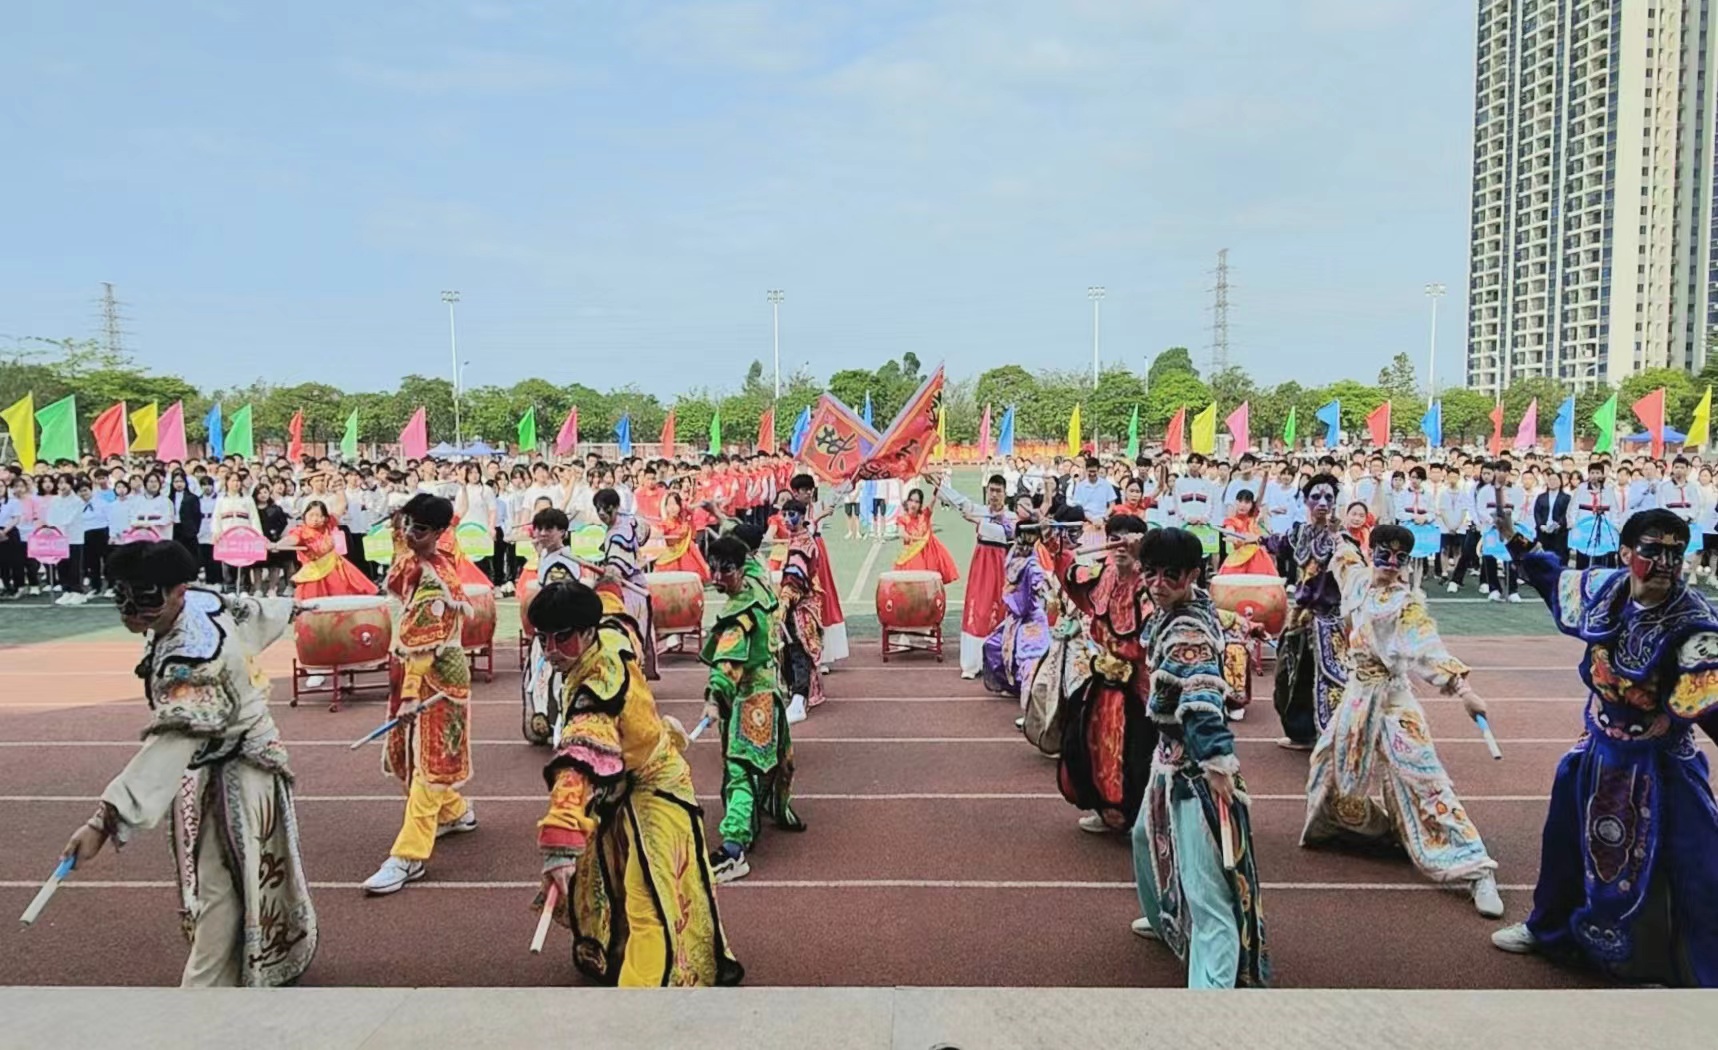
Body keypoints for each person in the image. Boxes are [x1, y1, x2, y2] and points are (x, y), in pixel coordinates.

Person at [57, 540, 316, 985]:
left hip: (237, 768)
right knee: (242, 869)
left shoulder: (192, 659)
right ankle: (263, 957)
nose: (130, 608)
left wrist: (103, 822)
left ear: (178, 590)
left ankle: (203, 991)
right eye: (121, 593)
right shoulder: (203, 601)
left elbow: (172, 741)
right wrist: (295, 609)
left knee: (220, 880)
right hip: (226, 758)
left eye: (145, 596)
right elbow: (253, 612)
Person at [1492, 509, 1718, 985]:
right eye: (1652, 551)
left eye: (1675, 553)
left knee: (1695, 859)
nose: (1664, 563)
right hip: (1597, 747)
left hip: (1661, 758)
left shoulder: (1694, 624)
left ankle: (1684, 966)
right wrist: (1513, 536)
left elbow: (1711, 700)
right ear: (1626, 553)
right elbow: (1552, 577)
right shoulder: (1605, 589)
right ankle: (1548, 929)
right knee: (1563, 841)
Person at [529, 580, 744, 986]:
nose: (552, 650)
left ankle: (640, 1001)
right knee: (611, 885)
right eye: (543, 639)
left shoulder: (599, 683)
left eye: (563, 638)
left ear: (588, 632)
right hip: (620, 784)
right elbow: (616, 605)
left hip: (656, 782)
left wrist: (560, 842)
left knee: (652, 897)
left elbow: (579, 756)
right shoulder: (612, 629)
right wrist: (608, 578)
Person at [1300, 523, 1504, 917]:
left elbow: (1427, 648)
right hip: (1356, 699)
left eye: (1400, 559)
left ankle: (1476, 868)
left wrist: (1463, 690)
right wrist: (1333, 522)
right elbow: (1341, 551)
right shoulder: (1355, 578)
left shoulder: (1404, 603)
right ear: (1370, 552)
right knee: (1329, 765)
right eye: (1383, 555)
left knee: (1424, 780)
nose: (1391, 564)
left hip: (1393, 701)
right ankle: (1368, 829)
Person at [1127, 527, 1268, 988]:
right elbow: (1200, 600)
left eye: (1171, 575)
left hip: (1194, 768)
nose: (1157, 583)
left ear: (1192, 575)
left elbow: (1203, 693)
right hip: (1167, 761)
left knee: (1207, 892)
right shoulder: (1190, 601)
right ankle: (1167, 915)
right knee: (1144, 836)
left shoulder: (1186, 629)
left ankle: (1211, 1001)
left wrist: (1217, 764)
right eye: (1151, 573)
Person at [363, 494, 478, 895]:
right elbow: (398, 574)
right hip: (419, 678)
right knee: (414, 760)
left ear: (440, 533)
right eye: (408, 524)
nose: (410, 533)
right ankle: (456, 812)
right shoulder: (423, 559)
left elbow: (423, 648)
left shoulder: (436, 584)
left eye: (420, 528)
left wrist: (410, 696)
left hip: (435, 686)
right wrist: (400, 525)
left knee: (428, 766)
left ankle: (408, 856)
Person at [700, 535, 805, 883]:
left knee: (740, 773)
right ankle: (767, 810)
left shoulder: (738, 617)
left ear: (740, 568)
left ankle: (733, 848)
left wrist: (714, 699)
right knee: (772, 764)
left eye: (725, 570)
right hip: (771, 695)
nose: (717, 577)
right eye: (713, 569)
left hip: (749, 701)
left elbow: (728, 663)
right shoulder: (760, 582)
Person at [1046, 513, 1158, 834]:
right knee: (1085, 744)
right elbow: (1070, 574)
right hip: (1105, 680)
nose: (1121, 542)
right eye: (1115, 535)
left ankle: (1142, 815)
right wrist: (1054, 544)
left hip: (1142, 684)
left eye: (1130, 535)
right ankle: (1105, 809)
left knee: (1137, 753)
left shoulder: (1151, 581)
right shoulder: (1103, 574)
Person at [1271, 474, 1364, 751]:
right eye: (1316, 497)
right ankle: (1301, 734)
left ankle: (1335, 735)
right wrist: (1256, 539)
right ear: (1305, 501)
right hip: (1300, 617)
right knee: (1290, 677)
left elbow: (1355, 567)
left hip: (1328, 620)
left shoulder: (1342, 539)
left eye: (1328, 498)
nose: (1322, 503)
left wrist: (1337, 539)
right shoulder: (1298, 533)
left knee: (1332, 678)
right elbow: (1278, 545)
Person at [931, 470, 1017, 679]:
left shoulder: (1012, 518)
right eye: (991, 490)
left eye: (998, 491)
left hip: (1003, 570)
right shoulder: (980, 511)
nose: (994, 495)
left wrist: (981, 522)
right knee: (977, 610)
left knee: (1002, 612)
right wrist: (937, 484)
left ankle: (999, 663)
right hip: (982, 570)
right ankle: (972, 663)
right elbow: (960, 502)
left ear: (1005, 493)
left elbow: (1012, 532)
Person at [521, 507, 587, 745]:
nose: (542, 533)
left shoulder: (563, 562)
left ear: (563, 532)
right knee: (541, 681)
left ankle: (561, 726)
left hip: (557, 634)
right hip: (547, 631)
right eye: (539, 528)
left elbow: (558, 601)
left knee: (558, 681)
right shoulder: (548, 556)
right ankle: (548, 725)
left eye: (549, 529)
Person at [983, 510, 1052, 701]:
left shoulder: (1032, 565)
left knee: (1029, 659)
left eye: (1031, 535)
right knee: (993, 645)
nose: (1025, 539)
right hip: (1015, 617)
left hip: (1031, 619)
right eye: (1023, 534)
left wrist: (1043, 588)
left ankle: (1030, 701)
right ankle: (1013, 687)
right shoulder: (1014, 553)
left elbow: (1041, 582)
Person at [594, 487, 658, 680]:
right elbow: (644, 531)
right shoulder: (629, 520)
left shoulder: (618, 536)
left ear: (616, 507)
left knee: (628, 636)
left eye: (607, 510)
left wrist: (599, 582)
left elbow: (615, 571)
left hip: (628, 592)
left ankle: (631, 679)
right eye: (599, 510)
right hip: (637, 587)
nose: (602, 515)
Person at [775, 500, 825, 722]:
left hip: (800, 606)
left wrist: (784, 603)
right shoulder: (799, 538)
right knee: (791, 650)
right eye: (784, 514)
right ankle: (800, 693)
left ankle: (799, 698)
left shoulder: (801, 545)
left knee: (798, 650)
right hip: (800, 603)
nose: (787, 519)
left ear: (801, 515)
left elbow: (796, 578)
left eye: (791, 514)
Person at [281, 499, 377, 600]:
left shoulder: (328, 526)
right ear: (304, 516)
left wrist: (339, 489)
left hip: (335, 569)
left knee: (340, 598)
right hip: (313, 572)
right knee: (311, 602)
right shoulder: (301, 531)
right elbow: (292, 539)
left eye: (319, 516)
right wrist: (276, 545)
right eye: (311, 515)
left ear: (325, 518)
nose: (315, 519)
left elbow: (341, 504)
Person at [892, 487, 961, 583]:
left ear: (920, 505)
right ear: (907, 502)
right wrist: (906, 535)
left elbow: (933, 500)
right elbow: (901, 532)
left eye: (917, 502)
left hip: (927, 559)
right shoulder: (903, 519)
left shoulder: (925, 516)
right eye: (911, 500)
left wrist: (937, 487)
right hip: (911, 558)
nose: (913, 504)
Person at [652, 490, 710, 582]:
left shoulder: (684, 523)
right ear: (665, 507)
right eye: (669, 505)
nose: (672, 508)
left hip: (686, 556)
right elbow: (658, 533)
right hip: (670, 557)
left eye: (675, 504)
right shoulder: (665, 524)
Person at [1216, 490, 1274, 576]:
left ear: (1251, 505)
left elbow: (1261, 495)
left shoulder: (1253, 517)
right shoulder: (1231, 520)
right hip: (1239, 558)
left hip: (1257, 557)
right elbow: (1230, 532)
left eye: (1247, 502)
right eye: (1240, 501)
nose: (1242, 505)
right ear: (1235, 502)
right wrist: (1232, 538)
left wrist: (1266, 476)